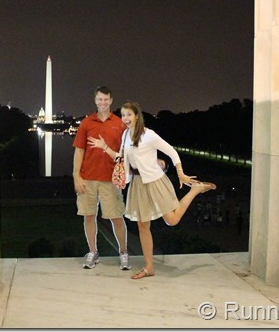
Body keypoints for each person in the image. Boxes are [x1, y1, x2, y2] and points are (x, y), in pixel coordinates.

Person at [88, 101, 216, 279]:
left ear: (137, 116)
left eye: (129, 115)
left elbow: (171, 151)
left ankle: (195, 190)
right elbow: (122, 158)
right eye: (123, 115)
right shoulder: (125, 135)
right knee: (142, 225)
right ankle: (149, 267)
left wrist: (180, 172)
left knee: (171, 220)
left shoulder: (149, 135)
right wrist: (105, 148)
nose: (125, 118)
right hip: (138, 184)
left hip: (155, 181)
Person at [72, 86, 131, 270]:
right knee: (89, 216)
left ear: (111, 101)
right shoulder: (86, 123)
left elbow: (126, 152)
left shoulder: (120, 124)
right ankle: (93, 252)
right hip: (88, 178)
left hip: (110, 179)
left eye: (106, 100)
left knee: (116, 217)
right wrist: (76, 175)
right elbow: (79, 150)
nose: (103, 103)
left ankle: (123, 252)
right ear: (95, 100)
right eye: (100, 99)